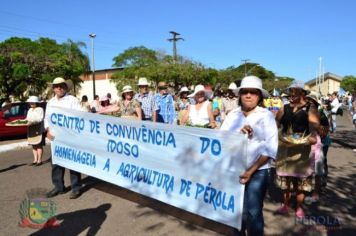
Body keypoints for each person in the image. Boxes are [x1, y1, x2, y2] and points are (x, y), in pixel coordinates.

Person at [221, 75, 278, 236]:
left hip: (258, 172)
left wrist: (251, 171)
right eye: (245, 92)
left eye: (253, 92)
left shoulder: (266, 116)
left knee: (253, 212)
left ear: (259, 96)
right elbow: (221, 140)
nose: (248, 95)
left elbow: (270, 149)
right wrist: (238, 135)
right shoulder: (232, 115)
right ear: (239, 94)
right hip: (235, 170)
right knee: (237, 212)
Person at [275, 83, 320, 218]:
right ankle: (286, 204)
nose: (291, 95)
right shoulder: (285, 107)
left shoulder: (310, 108)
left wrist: (312, 136)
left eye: (294, 93)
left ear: (302, 94)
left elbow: (313, 127)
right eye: (290, 92)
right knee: (286, 180)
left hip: (302, 147)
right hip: (285, 147)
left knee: (301, 182)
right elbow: (276, 123)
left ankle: (299, 207)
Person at [45, 77, 83, 199]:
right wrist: (47, 131)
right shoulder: (50, 102)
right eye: (56, 86)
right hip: (56, 138)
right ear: (54, 89)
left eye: (61, 85)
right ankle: (58, 187)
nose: (59, 88)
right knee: (56, 163)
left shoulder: (72, 100)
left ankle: (76, 187)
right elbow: (47, 118)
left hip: (71, 137)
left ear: (65, 87)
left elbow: (81, 116)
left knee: (73, 162)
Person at [26, 96, 45, 166]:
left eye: (33, 102)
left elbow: (40, 119)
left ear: (36, 102)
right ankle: (35, 160)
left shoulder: (40, 109)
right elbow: (27, 118)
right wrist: (26, 121)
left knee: (39, 145)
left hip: (38, 129)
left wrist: (32, 122)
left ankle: (39, 160)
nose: (31, 104)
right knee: (33, 145)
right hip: (31, 129)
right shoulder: (30, 110)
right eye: (30, 102)